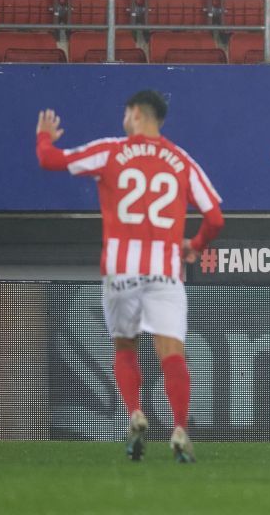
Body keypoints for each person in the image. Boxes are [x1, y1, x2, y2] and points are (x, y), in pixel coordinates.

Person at [35, 90, 224, 463]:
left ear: (135, 114)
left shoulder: (111, 151)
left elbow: (49, 160)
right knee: (172, 354)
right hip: (166, 271)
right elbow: (215, 217)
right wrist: (196, 244)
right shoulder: (182, 160)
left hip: (122, 269)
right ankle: (180, 428)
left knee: (124, 346)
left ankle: (135, 413)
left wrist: (44, 136)